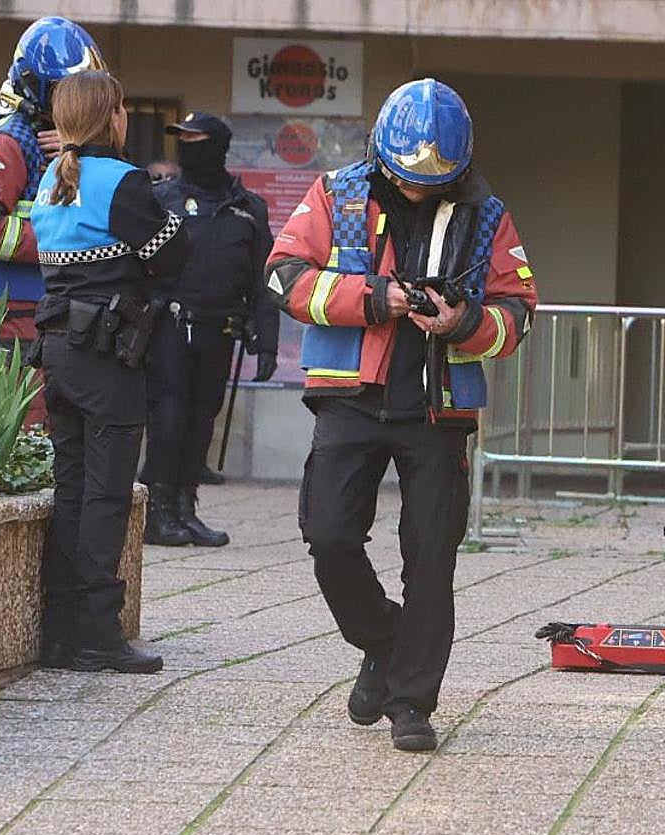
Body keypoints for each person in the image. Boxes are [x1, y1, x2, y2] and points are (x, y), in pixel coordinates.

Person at [266, 78, 537, 751]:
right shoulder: (337, 193)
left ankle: (412, 704)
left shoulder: (488, 213)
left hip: (438, 412)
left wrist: (464, 320)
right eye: (408, 178)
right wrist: (373, 297)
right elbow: (282, 276)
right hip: (350, 399)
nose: (419, 189)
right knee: (327, 534)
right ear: (383, 156)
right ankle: (384, 642)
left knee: (432, 556)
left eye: (434, 180)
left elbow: (518, 312)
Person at [30, 70, 190, 673]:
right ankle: (99, 635)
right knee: (106, 495)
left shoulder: (52, 179)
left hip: (58, 353)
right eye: (121, 108)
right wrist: (172, 208)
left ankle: (58, 634)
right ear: (113, 116)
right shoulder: (122, 181)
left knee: (70, 490)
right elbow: (170, 254)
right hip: (107, 355)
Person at [0, 16, 105, 429]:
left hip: (51, 308)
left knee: (58, 423)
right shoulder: (6, 143)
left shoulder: (72, 148)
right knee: (23, 424)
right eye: (69, 92)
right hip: (7, 310)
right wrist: (62, 245)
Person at [139, 112, 277, 547]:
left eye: (194, 139)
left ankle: (185, 507)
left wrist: (266, 341)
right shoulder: (161, 198)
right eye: (182, 139)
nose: (186, 146)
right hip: (169, 326)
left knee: (201, 421)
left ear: (217, 146)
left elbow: (263, 278)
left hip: (220, 330)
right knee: (169, 418)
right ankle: (157, 511)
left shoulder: (248, 208)